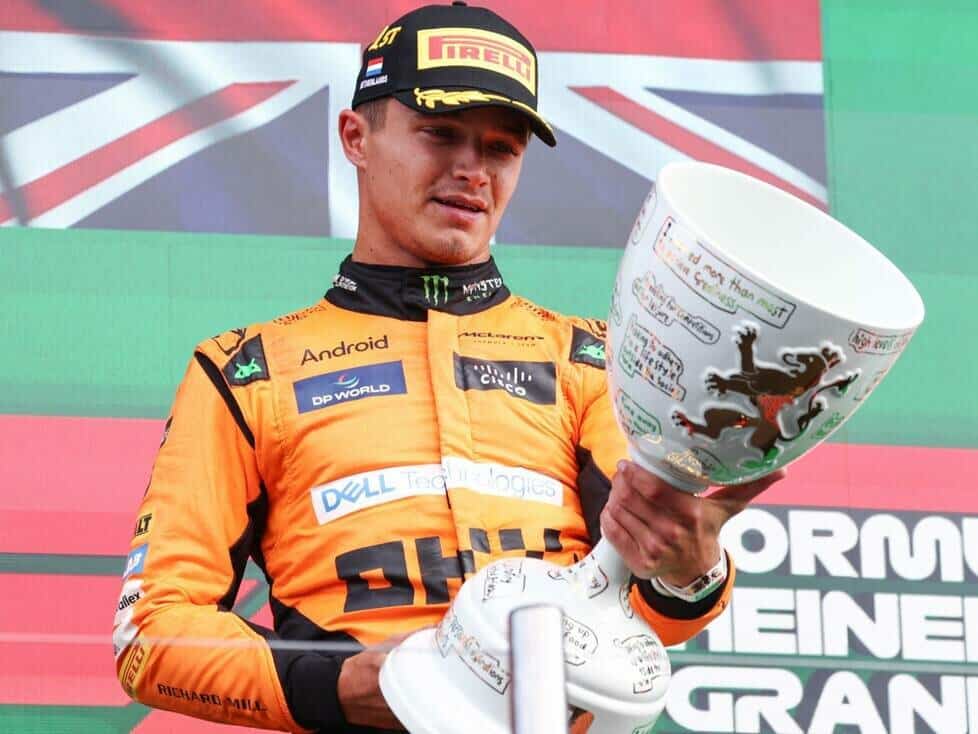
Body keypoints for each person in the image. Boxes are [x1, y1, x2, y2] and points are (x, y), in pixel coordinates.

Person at [113, 3, 784, 732]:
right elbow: (153, 635)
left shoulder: (592, 360)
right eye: (440, 133)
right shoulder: (247, 372)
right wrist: (341, 685)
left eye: (502, 148)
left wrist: (690, 568)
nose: (472, 170)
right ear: (355, 136)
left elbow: (657, 608)